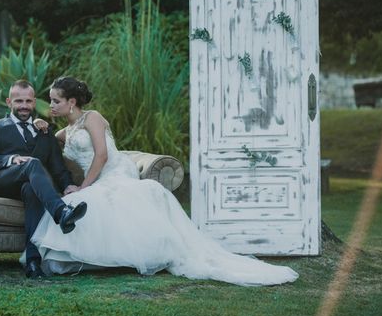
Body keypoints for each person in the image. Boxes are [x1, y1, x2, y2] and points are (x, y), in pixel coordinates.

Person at [29, 76, 299, 286]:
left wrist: (85, 186)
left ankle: (135, 255)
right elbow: (52, 145)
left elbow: (101, 155)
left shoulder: (93, 118)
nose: (51, 105)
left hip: (115, 173)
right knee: (75, 201)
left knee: (87, 198)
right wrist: (41, 125)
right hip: (97, 179)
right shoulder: (67, 130)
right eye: (50, 101)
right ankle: (91, 259)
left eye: (55, 100)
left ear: (71, 102)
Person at [0, 79, 88, 279]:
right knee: (33, 163)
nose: (24, 106)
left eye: (28, 101)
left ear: (34, 102)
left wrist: (68, 185)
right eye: (18, 101)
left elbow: (58, 167)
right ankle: (61, 212)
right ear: (8, 101)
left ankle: (33, 263)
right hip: (1, 182)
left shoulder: (45, 131)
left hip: (31, 186)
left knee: (32, 189)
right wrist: (13, 159)